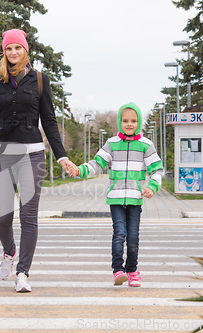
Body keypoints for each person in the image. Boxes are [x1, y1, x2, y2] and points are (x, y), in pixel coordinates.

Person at [0, 29, 78, 293]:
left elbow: (50, 121)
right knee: (1, 217)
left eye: (17, 48)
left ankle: (23, 273)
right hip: (2, 155)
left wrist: (62, 155)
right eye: (9, 48)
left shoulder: (39, 80)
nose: (13, 53)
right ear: (4, 51)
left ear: (25, 50)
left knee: (28, 215)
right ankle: (9, 251)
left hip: (33, 154)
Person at [71, 102, 163, 287]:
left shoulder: (146, 145)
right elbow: (97, 164)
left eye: (134, 120)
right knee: (119, 233)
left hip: (135, 199)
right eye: (125, 120)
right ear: (120, 122)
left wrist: (152, 187)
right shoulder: (112, 144)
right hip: (116, 198)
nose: (129, 124)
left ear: (139, 122)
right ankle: (118, 271)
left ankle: (132, 270)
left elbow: (157, 170)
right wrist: (80, 170)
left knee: (133, 237)